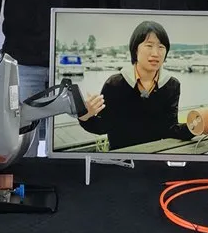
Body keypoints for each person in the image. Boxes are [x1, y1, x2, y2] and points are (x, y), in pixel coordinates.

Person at [78, 21, 193, 150]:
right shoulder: (115, 84)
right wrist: (85, 115)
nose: (155, 53)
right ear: (135, 49)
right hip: (122, 159)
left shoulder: (171, 85)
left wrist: (198, 127)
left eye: (161, 47)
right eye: (149, 45)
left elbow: (169, 128)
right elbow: (103, 126)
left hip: (154, 156)